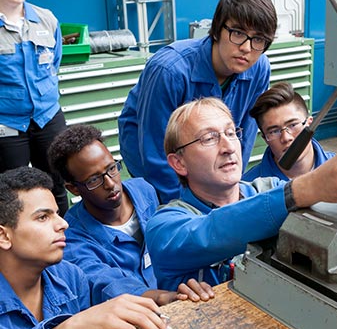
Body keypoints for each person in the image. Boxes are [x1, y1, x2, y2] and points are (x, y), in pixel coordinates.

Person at [144, 97, 337, 291]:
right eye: (209, 138)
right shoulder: (164, 227)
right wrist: (305, 188)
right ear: (179, 163)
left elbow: (328, 217)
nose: (228, 148)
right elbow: (212, 231)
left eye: (231, 133)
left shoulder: (267, 188)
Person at [118, 0, 278, 203]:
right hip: (148, 146)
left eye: (259, 39)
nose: (247, 48)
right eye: (238, 33)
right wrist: (183, 206)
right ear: (216, 30)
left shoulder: (259, 68)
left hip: (204, 147)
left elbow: (244, 136)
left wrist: (229, 188)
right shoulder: (169, 70)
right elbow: (154, 150)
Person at [0, 166, 173, 329]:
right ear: (4, 236)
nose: (63, 224)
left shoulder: (70, 277)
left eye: (57, 214)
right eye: (43, 217)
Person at [48, 124, 214, 306]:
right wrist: (162, 297)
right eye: (94, 180)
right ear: (73, 189)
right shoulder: (74, 242)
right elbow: (106, 284)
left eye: (111, 168)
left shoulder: (144, 190)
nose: (110, 184)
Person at [0, 0, 68, 216]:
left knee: (56, 184)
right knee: (12, 192)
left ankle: (63, 242)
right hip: (7, 123)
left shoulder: (45, 19)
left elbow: (54, 62)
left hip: (47, 116)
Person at [245, 82, 335, 181]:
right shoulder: (248, 189)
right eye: (274, 131)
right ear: (265, 139)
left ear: (309, 124)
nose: (286, 138)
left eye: (293, 125)